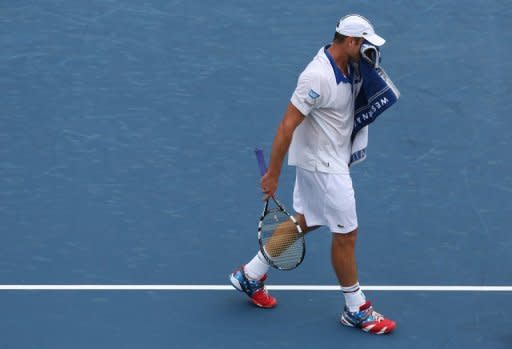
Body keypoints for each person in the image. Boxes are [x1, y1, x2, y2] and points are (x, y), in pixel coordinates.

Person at [229, 14, 396, 335]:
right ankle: (356, 310)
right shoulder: (316, 77)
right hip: (323, 166)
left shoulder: (351, 65)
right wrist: (273, 174)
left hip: (330, 158)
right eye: (364, 43)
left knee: (309, 219)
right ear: (350, 41)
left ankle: (250, 274)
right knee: (346, 235)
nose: (367, 50)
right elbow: (287, 125)